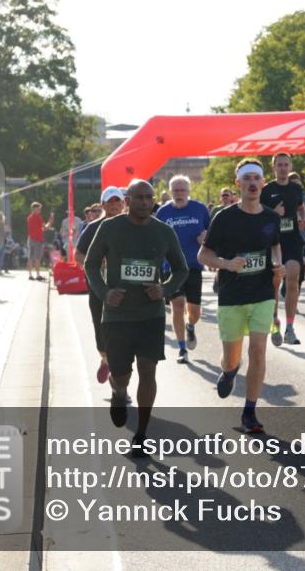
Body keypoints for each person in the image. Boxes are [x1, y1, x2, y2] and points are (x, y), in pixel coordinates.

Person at [83, 180, 188, 454]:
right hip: (117, 315)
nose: (145, 202)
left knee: (147, 369)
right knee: (121, 374)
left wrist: (164, 289)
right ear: (127, 200)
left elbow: (181, 269)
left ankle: (141, 434)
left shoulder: (163, 232)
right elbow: (90, 264)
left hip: (150, 315)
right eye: (139, 197)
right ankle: (118, 393)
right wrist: (105, 292)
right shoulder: (109, 227)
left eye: (149, 197)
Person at [198, 159, 285, 433]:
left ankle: (250, 412)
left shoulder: (272, 217)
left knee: (258, 349)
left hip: (261, 293)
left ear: (262, 183)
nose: (251, 183)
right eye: (246, 178)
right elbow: (204, 254)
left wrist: (278, 266)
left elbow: (275, 248)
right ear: (238, 184)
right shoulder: (224, 218)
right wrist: (225, 264)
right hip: (232, 295)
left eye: (256, 179)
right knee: (231, 357)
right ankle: (229, 370)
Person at [75, 187, 127, 394]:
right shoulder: (93, 227)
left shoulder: (134, 226)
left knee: (122, 339)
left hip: (125, 292)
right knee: (102, 336)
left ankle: (119, 385)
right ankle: (105, 359)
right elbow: (79, 255)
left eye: (118, 201)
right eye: (110, 201)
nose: (114, 205)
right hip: (99, 292)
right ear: (103, 204)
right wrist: (96, 265)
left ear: (124, 203)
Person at [156, 175, 211, 363]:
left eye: (182, 190)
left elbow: (212, 233)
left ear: (188, 191)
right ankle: (181, 349)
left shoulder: (200, 209)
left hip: (193, 265)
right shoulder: (163, 212)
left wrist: (206, 237)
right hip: (170, 266)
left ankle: (190, 325)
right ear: (171, 192)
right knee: (177, 305)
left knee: (194, 311)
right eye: (176, 190)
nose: (179, 194)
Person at [260, 154, 305, 346]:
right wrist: (274, 214)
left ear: (290, 166)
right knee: (275, 282)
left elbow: (301, 207)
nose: (283, 168)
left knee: (293, 279)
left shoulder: (296, 188)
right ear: (273, 167)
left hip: (292, 240)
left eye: (286, 165)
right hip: (272, 242)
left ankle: (289, 327)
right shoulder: (267, 190)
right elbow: (257, 214)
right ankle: (274, 320)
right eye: (279, 165)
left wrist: (304, 218)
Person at [26, 202, 54, 281]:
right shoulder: (38, 217)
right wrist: (51, 220)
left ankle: (30, 275)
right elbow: (45, 228)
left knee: (30, 257)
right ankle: (38, 275)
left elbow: (38, 228)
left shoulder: (29, 217)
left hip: (30, 239)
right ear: (34, 209)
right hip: (37, 240)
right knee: (37, 258)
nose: (39, 210)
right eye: (38, 209)